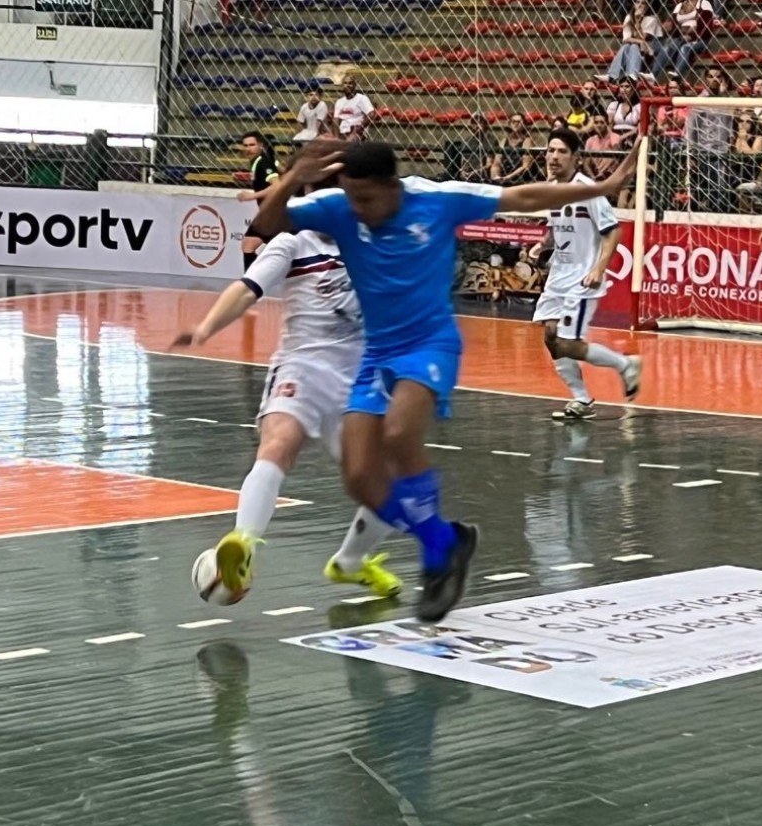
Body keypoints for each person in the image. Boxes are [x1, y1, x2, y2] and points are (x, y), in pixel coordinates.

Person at [247, 137, 638, 620]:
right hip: (377, 353)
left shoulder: (437, 199)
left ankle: (436, 562)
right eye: (351, 199)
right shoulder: (340, 207)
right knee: (359, 477)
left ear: (392, 186)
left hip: (430, 345)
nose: (359, 211)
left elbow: (525, 198)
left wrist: (602, 186)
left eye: (367, 200)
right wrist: (293, 176)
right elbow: (263, 225)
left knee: (397, 433)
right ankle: (445, 540)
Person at [172, 210, 405, 606]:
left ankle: (349, 561)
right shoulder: (293, 244)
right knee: (279, 443)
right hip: (302, 367)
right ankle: (241, 545)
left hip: (359, 379)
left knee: (392, 489)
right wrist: (207, 326)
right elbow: (247, 288)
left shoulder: (375, 246)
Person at [530, 129, 640, 422]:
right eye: (550, 150)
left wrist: (598, 269)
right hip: (558, 277)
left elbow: (612, 231)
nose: (553, 157)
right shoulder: (552, 189)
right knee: (551, 338)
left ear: (576, 157)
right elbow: (557, 227)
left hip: (582, 279)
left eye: (561, 151)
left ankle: (625, 364)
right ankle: (581, 399)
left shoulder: (586, 189)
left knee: (567, 343)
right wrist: (543, 245)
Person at [235, 131, 279, 269]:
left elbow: (277, 186)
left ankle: (252, 284)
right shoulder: (260, 161)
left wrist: (251, 196)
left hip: (273, 214)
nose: (248, 148)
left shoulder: (263, 162)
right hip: (269, 213)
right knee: (249, 245)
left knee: (249, 245)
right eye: (245, 145)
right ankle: (254, 282)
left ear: (260, 145)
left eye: (252, 145)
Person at [331, 68, 376, 139]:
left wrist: (359, 128)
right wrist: (336, 138)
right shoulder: (339, 102)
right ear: (342, 85)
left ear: (355, 85)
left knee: (350, 141)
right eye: (345, 83)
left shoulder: (362, 98)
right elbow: (336, 120)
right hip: (343, 131)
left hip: (357, 131)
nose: (347, 85)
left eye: (350, 83)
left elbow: (371, 114)